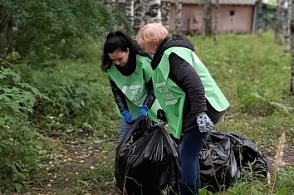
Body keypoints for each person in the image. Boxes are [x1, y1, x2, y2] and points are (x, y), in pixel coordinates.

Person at [136, 23, 230, 195]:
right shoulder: (169, 53)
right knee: (189, 153)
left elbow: (195, 85)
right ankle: (194, 191)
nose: (144, 49)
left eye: (145, 45)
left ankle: (188, 192)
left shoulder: (172, 56)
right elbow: (171, 87)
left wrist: (200, 113)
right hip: (199, 107)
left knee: (186, 154)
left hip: (204, 107)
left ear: (155, 43)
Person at [101, 30, 161, 142]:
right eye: (113, 60)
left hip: (149, 109)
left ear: (127, 51)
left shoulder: (143, 62)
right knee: (124, 145)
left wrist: (145, 108)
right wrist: (124, 111)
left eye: (119, 59)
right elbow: (117, 92)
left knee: (151, 144)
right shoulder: (111, 69)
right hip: (129, 112)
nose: (117, 63)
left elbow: (154, 88)